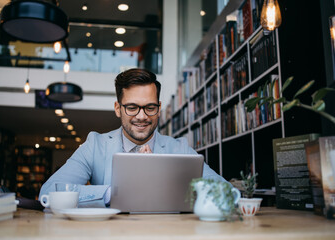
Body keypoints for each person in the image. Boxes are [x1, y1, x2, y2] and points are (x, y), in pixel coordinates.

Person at [39, 68, 226, 207]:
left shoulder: (180, 148)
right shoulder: (95, 145)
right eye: (132, 107)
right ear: (118, 109)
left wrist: (164, 183)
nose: (142, 116)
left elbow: (225, 192)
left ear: (159, 109)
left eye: (150, 107)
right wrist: (114, 193)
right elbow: (48, 192)